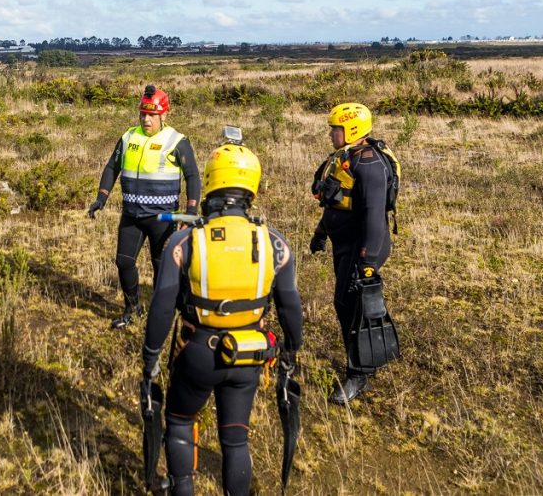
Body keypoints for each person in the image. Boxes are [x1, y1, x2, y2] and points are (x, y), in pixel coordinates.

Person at [141, 138, 303, 495]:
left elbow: (163, 305)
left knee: (180, 424)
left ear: (212, 181)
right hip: (248, 354)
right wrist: (291, 353)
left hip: (197, 352)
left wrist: (150, 359)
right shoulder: (275, 243)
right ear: (252, 187)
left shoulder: (185, 242)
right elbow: (291, 308)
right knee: (235, 440)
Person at [88, 85, 201, 329]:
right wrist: (101, 198)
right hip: (132, 215)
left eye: (151, 115)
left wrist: (191, 211)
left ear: (164, 116)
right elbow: (111, 167)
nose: (146, 119)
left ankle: (166, 314)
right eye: (143, 114)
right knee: (123, 262)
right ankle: (133, 309)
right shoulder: (129, 137)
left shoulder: (177, 141)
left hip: (163, 218)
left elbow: (192, 176)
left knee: (162, 268)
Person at [309, 102, 395, 404]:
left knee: (349, 305)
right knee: (354, 305)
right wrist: (320, 233)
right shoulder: (345, 157)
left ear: (352, 130)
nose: (331, 133)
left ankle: (358, 374)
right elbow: (334, 200)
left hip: (362, 247)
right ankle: (374, 353)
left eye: (336, 128)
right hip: (343, 244)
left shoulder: (369, 164)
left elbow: (374, 216)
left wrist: (368, 262)